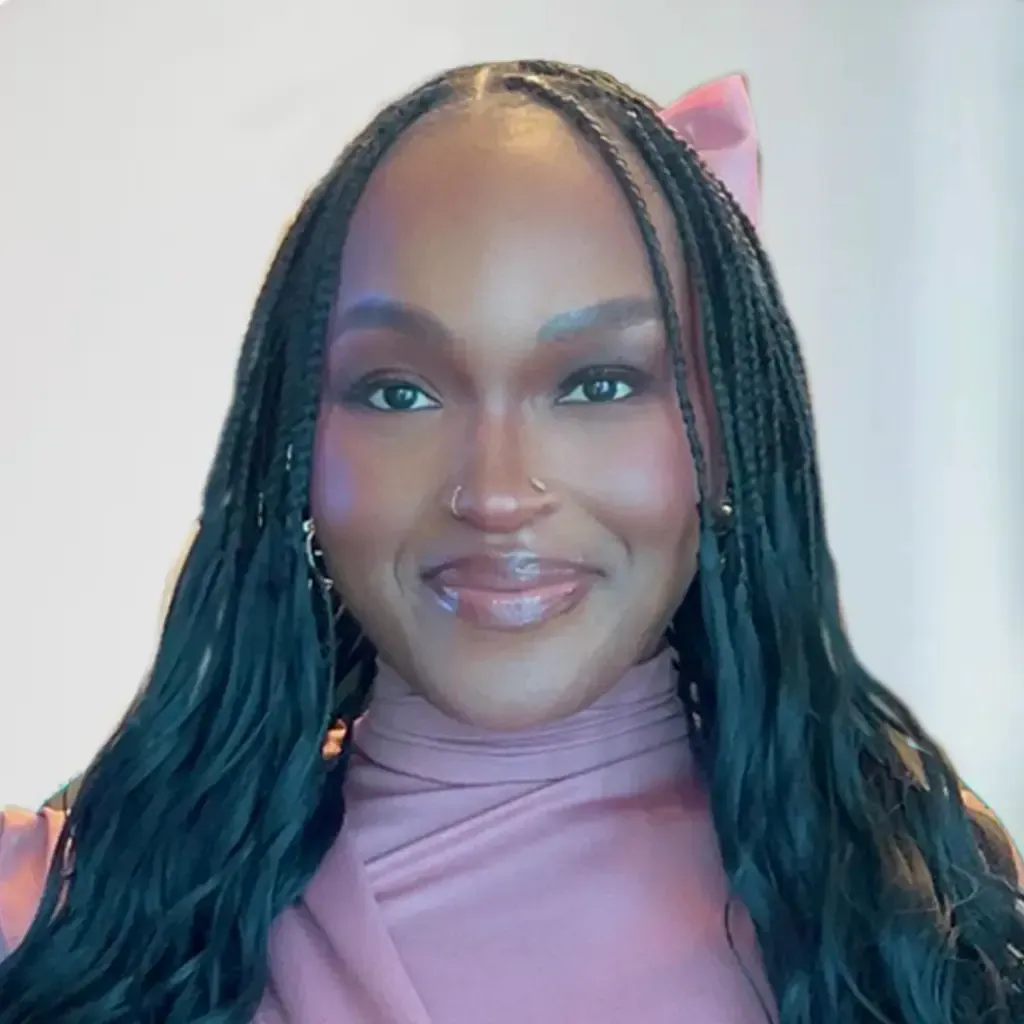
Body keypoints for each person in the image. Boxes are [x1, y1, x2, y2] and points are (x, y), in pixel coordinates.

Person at [0, 59, 1020, 1024]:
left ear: (725, 436)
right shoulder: (67, 916)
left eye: (599, 384)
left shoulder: (922, 914)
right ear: (296, 449)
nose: (495, 491)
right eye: (397, 390)